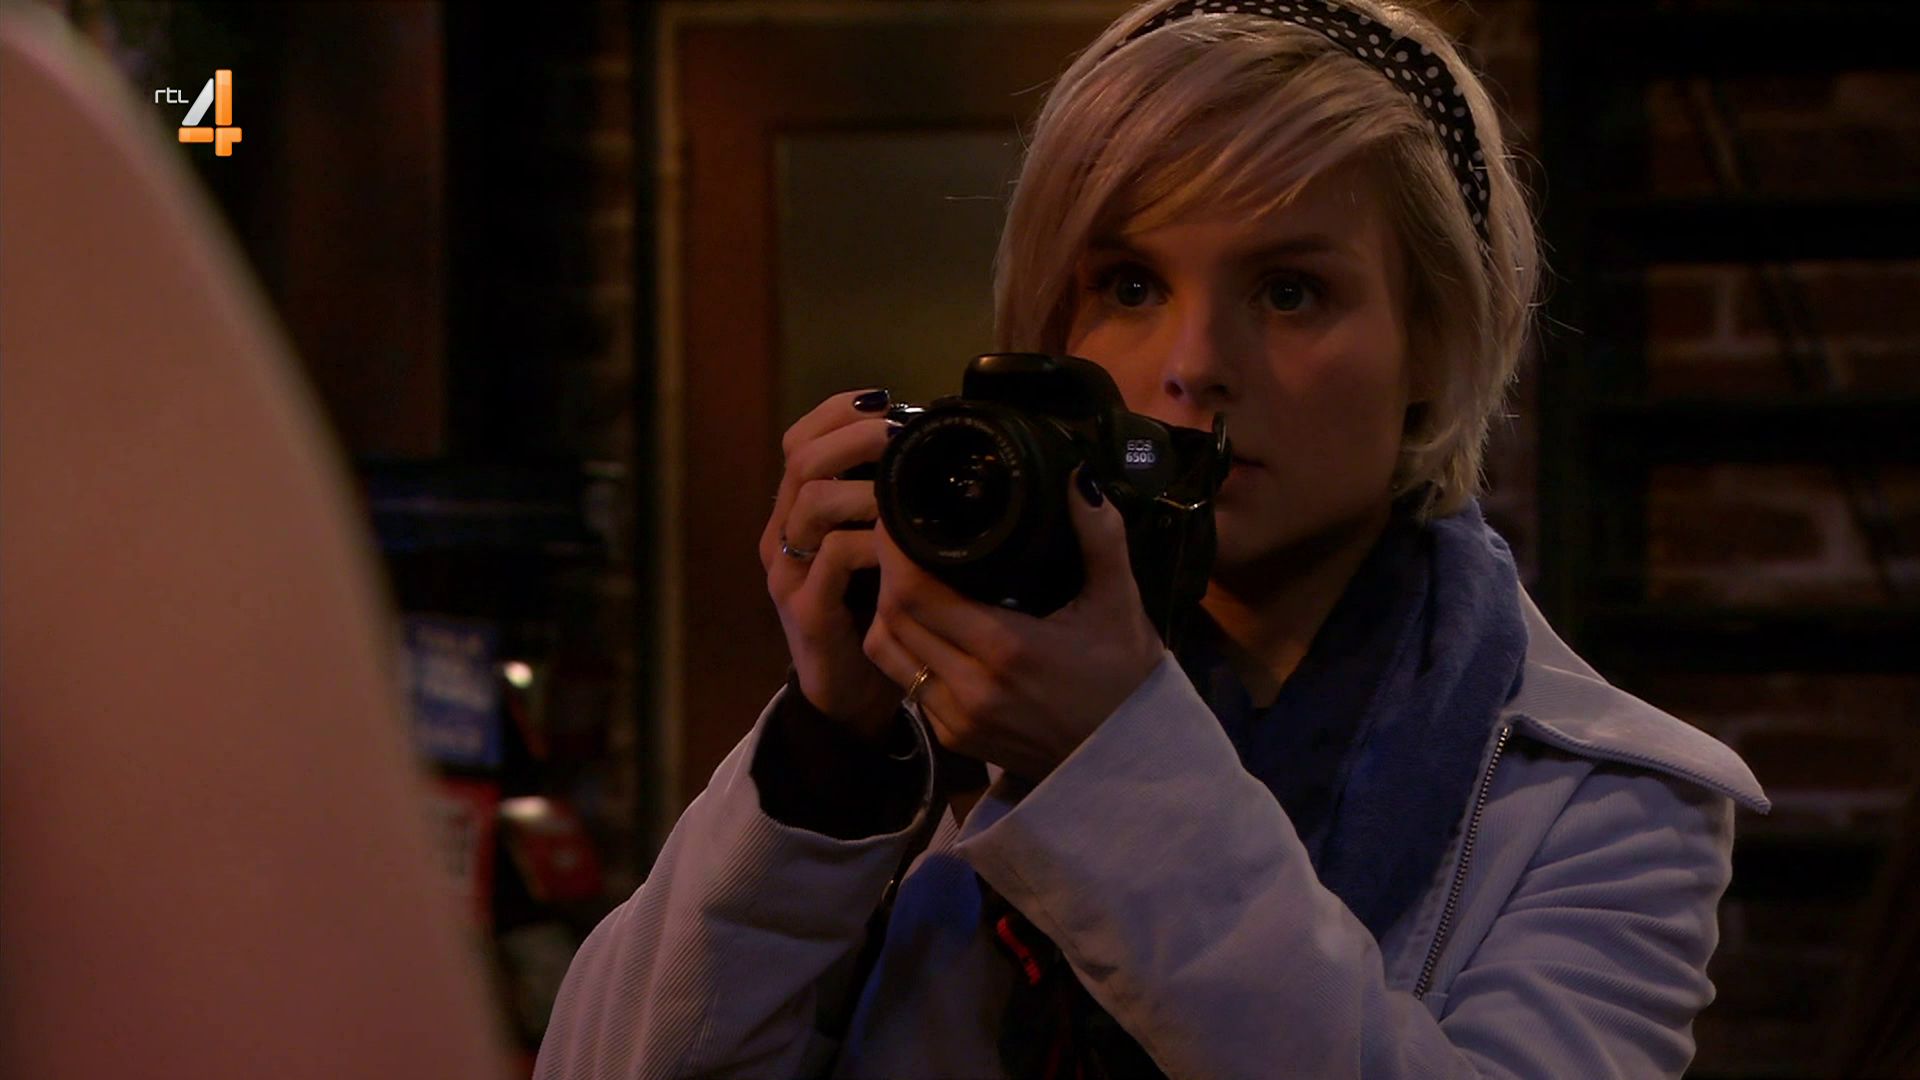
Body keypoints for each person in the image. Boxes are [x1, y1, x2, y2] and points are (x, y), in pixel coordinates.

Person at [534, 1, 1769, 1076]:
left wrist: (1108, 763)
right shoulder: (960, 692)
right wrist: (832, 757)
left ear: (1434, 347)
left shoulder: (1602, 804)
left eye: (1290, 291)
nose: (1192, 367)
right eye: (1129, 286)